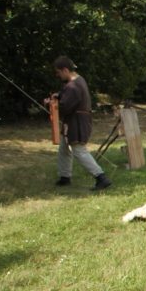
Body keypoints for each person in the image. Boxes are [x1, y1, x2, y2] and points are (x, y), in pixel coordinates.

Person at [49, 56, 112, 191]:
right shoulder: (78, 79)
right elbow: (67, 95)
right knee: (64, 149)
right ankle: (65, 177)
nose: (58, 75)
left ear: (65, 70)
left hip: (77, 122)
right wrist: (58, 96)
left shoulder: (74, 85)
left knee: (79, 150)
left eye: (59, 73)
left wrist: (53, 103)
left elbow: (66, 106)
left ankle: (101, 177)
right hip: (75, 120)